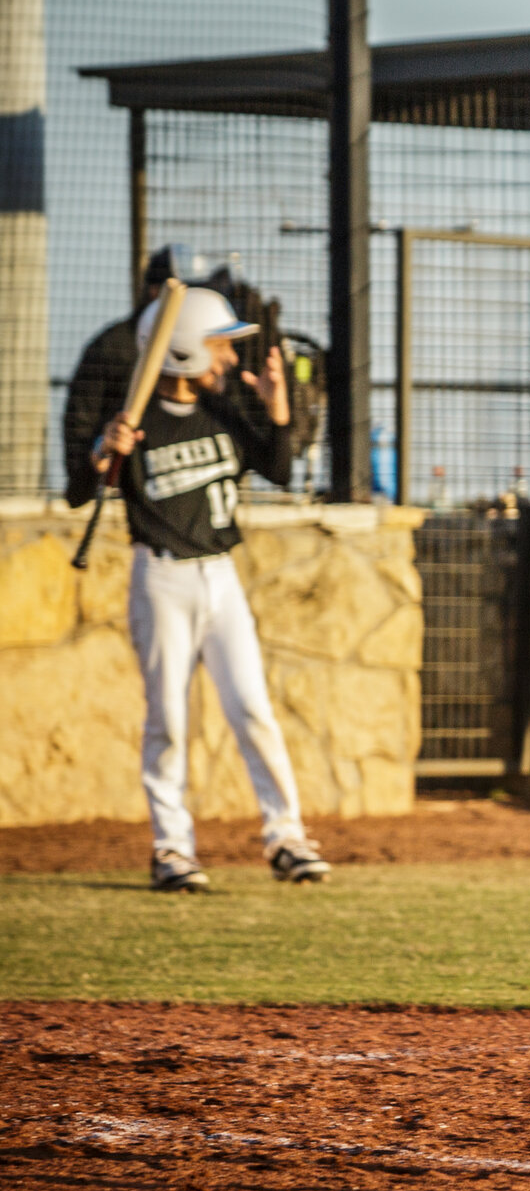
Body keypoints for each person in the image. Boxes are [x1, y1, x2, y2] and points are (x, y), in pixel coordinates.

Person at [87, 286, 330, 892]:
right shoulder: (133, 420)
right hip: (161, 576)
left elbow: (277, 465)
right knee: (167, 716)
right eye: (218, 344)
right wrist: (102, 453)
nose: (227, 356)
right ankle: (172, 848)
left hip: (221, 576)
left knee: (252, 709)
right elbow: (80, 488)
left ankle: (287, 837)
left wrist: (277, 409)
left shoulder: (226, 410)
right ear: (182, 352)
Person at [64, 244, 217, 505]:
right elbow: (80, 426)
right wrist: (96, 460)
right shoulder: (115, 347)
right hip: (124, 488)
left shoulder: (196, 353)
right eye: (186, 296)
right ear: (157, 292)